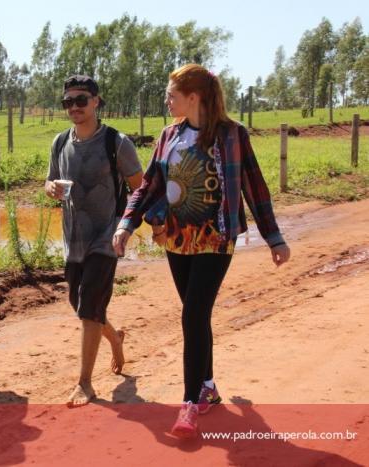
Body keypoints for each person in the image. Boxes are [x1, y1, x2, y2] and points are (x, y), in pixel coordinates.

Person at [113, 64, 291, 437]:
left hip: (216, 238)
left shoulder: (232, 135)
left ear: (193, 97)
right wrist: (127, 224)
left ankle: (190, 404)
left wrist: (274, 237)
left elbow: (254, 187)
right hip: (177, 239)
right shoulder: (169, 136)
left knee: (193, 316)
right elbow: (148, 185)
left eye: (171, 93)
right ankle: (207, 388)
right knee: (197, 315)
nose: (167, 99)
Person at [45, 75, 143, 408]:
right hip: (73, 239)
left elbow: (140, 188)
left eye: (81, 100)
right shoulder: (60, 142)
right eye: (68, 101)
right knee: (82, 305)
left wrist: (128, 228)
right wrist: (51, 189)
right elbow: (48, 182)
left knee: (89, 307)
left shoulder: (116, 142)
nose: (74, 107)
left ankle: (84, 383)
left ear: (96, 102)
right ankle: (114, 338)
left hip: (106, 237)